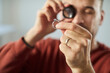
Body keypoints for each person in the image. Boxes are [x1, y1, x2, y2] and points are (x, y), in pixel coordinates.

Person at [0, 0, 110, 73]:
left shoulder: (107, 61)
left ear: (100, 18)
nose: (77, 20)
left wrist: (83, 68)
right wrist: (35, 33)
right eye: (69, 10)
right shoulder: (45, 49)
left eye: (88, 12)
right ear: (61, 13)